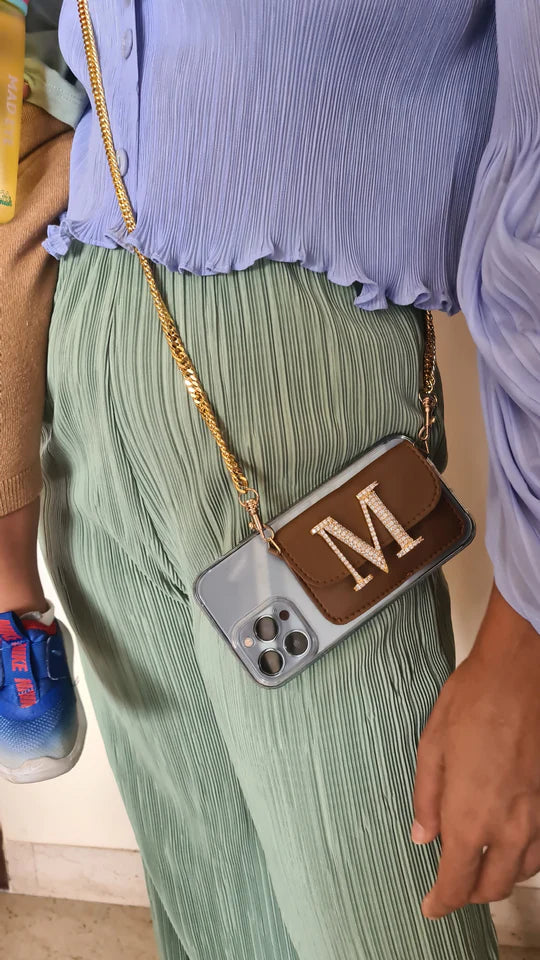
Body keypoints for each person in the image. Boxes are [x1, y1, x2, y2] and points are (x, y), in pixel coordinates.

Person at [1, 1, 539, 958]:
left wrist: (528, 635)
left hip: (301, 356)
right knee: (213, 920)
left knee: (381, 920)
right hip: (83, 324)